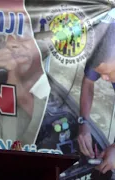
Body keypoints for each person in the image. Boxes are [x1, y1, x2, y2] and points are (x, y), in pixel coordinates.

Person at [77, 18, 115, 175]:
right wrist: (83, 122)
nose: (104, 79)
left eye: (108, 73)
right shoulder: (102, 46)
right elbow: (88, 82)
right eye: (101, 73)